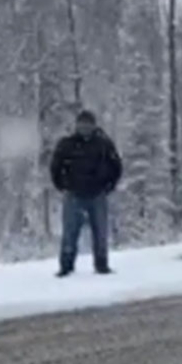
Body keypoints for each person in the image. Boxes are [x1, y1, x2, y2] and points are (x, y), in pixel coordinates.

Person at [50, 110, 122, 277]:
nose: (85, 128)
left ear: (94, 125)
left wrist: (109, 185)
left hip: (97, 194)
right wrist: (63, 185)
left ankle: (101, 264)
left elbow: (116, 165)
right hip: (74, 194)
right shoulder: (66, 144)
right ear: (76, 125)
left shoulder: (103, 144)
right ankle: (66, 266)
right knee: (69, 233)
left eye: (88, 124)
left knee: (101, 233)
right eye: (82, 124)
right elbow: (55, 167)